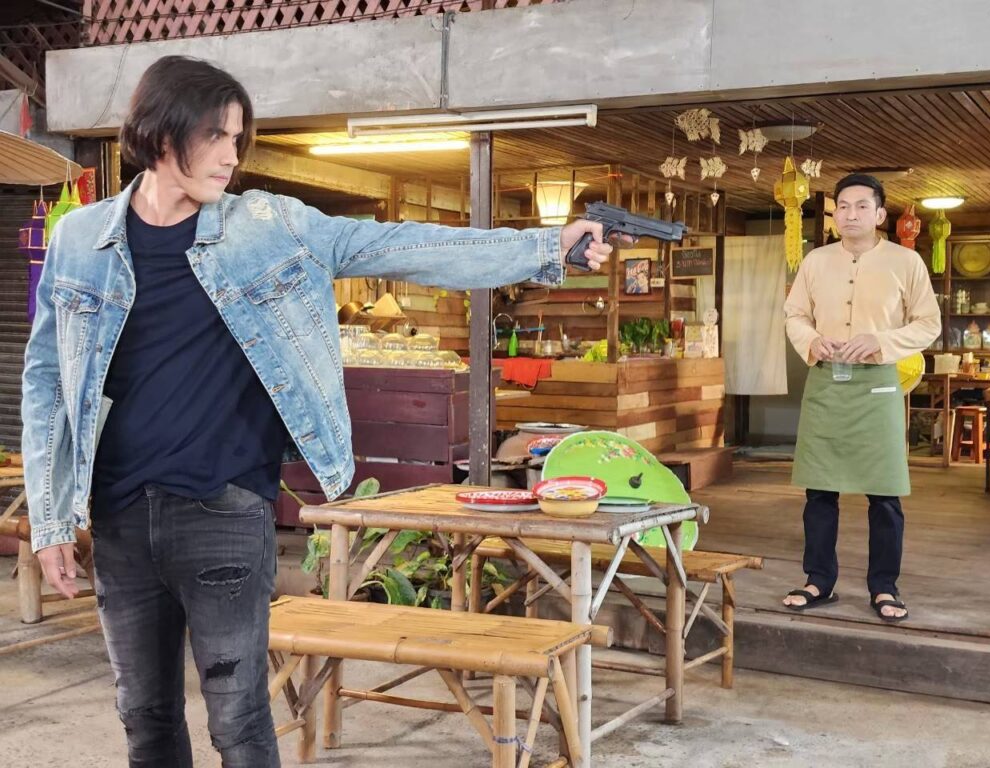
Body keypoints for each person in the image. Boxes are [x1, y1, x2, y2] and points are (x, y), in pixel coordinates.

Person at [21, 55, 612, 767]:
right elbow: (47, 380)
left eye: (238, 138)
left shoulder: (270, 225)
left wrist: (546, 245)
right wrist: (50, 521)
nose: (231, 156)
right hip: (117, 514)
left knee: (239, 721)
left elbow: (400, 246)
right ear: (162, 132)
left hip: (223, 509)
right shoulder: (80, 240)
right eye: (215, 136)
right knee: (144, 718)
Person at [782, 173, 940, 623]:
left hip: (879, 385)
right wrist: (812, 340)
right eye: (843, 207)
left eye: (861, 206)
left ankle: (884, 587)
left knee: (885, 494)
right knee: (819, 491)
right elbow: (794, 314)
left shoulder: (906, 262)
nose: (850, 215)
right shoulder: (816, 261)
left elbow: (928, 324)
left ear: (880, 214)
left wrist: (881, 341)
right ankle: (818, 580)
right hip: (826, 382)